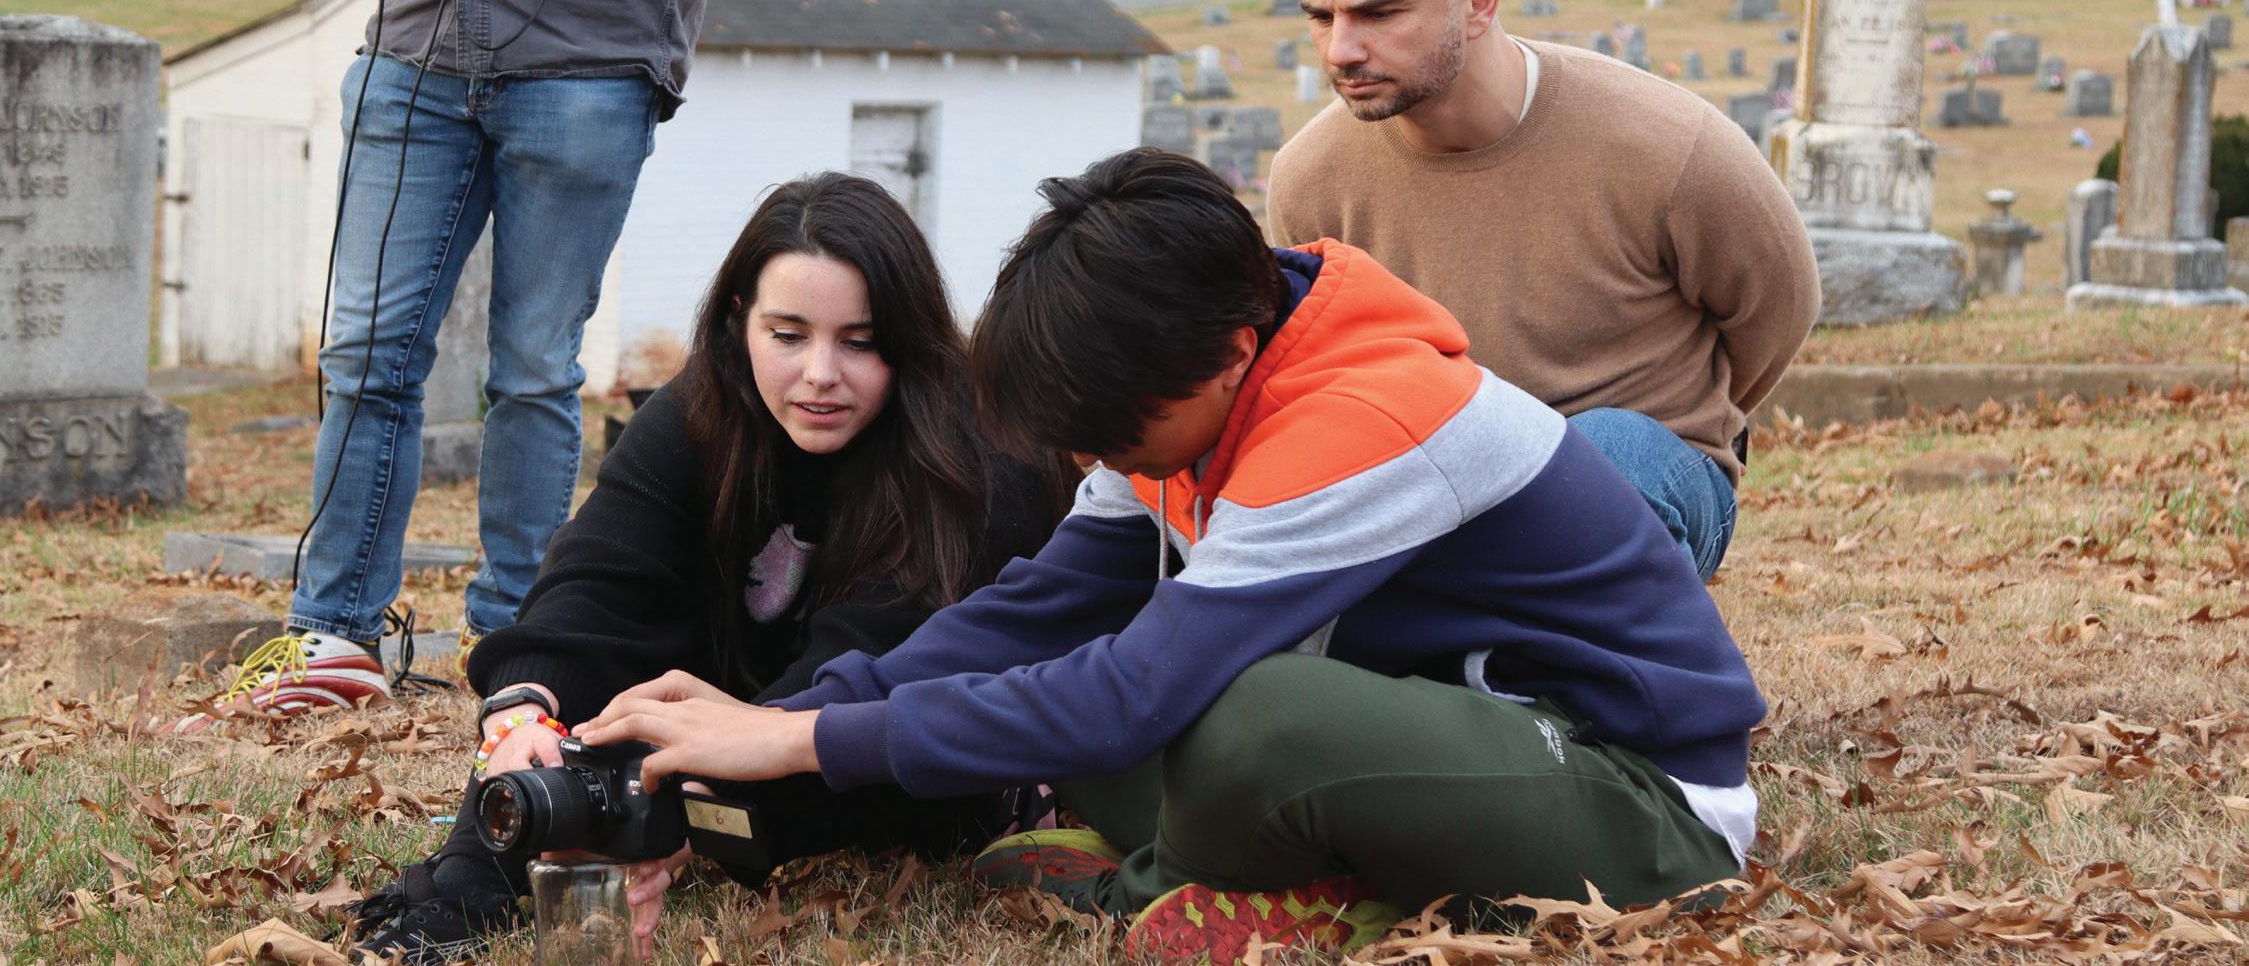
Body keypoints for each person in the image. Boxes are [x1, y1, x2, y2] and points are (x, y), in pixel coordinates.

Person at [567, 150, 1767, 964]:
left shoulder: (1364, 418)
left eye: (1118, 438)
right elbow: (1032, 611)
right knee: (1074, 688)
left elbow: (1136, 693)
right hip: (1433, 744)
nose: (1106, 460)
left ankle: (1175, 888)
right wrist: (788, 716)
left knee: (1251, 713)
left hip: (1638, 806)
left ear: (1233, 355)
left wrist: (800, 745)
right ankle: (1264, 871)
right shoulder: (1182, 375)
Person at [183, 0, 779, 723]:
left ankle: (518, 643)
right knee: (364, 352)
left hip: (590, 64)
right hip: (413, 54)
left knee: (535, 369)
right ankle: (335, 636)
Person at [339, 174, 1073, 963]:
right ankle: (467, 882)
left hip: (886, 747)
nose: (820, 372)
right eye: (787, 335)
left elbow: (877, 664)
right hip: (735, 710)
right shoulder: (702, 408)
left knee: (702, 767)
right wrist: (524, 714)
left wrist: (676, 805)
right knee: (578, 727)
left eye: (859, 342)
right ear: (738, 320)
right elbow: (600, 580)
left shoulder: (979, 452)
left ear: (911, 336)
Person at [1265, 0, 1820, 579]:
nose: (1340, 49)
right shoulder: (1310, 181)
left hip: (1642, 465)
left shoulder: (1667, 144)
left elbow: (1779, 306)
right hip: (1435, 485)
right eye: (1321, 16)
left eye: (1379, 13)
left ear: (1479, 1)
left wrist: (1699, 416)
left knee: (1603, 461)